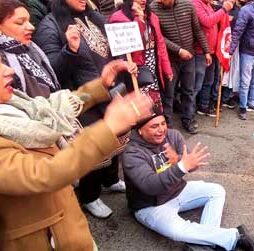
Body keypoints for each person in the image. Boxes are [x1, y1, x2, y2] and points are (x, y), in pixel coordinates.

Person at [0, 59, 153, 250]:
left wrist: (101, 84)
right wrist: (108, 128)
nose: (9, 70)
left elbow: (54, 107)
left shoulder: (15, 104)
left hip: (67, 228)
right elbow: (44, 174)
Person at [33, 0, 128, 218]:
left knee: (114, 138)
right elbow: (51, 72)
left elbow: (110, 50)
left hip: (110, 91)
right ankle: (89, 195)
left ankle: (110, 180)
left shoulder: (93, 17)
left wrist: (123, 63)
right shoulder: (50, 26)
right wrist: (70, 50)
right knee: (93, 148)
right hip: (83, 99)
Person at [122, 114, 254, 251]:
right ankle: (234, 237)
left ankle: (203, 246)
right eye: (154, 126)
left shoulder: (173, 135)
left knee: (216, 191)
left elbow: (191, 165)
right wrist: (181, 167)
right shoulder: (132, 153)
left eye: (163, 123)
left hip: (178, 191)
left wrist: (179, 160)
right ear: (140, 130)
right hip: (151, 205)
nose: (161, 130)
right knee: (175, 230)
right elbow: (150, 186)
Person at [150, 0, 211, 134]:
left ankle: (188, 119)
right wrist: (178, 50)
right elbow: (158, 37)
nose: (158, 0)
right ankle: (168, 124)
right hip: (170, 59)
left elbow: (197, 30)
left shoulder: (187, 5)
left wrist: (206, 51)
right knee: (168, 93)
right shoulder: (153, 9)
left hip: (189, 57)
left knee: (188, 90)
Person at [109, 0, 173, 113]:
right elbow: (134, 42)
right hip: (134, 67)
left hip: (152, 64)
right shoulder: (118, 18)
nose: (143, 0)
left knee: (154, 101)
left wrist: (167, 68)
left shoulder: (152, 16)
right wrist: (139, 19)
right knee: (139, 106)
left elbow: (160, 43)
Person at [0, 0, 59, 98]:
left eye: (29, 21)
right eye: (20, 23)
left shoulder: (32, 48)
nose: (31, 27)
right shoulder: (3, 61)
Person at [190, 0, 233, 117]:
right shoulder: (195, 3)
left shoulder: (207, 3)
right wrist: (224, 10)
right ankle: (190, 112)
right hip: (200, 50)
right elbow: (207, 22)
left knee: (209, 80)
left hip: (211, 50)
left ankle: (203, 106)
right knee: (197, 84)